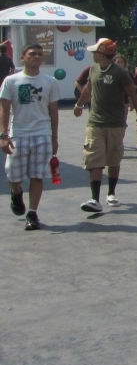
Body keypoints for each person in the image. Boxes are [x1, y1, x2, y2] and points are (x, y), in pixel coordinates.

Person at [73, 38, 137, 212]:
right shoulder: (93, 69)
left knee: (113, 159)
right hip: (95, 123)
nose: (92, 54)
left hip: (115, 123)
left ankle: (111, 193)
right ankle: (94, 199)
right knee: (94, 158)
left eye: (94, 52)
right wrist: (79, 104)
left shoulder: (120, 73)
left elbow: (132, 95)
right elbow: (88, 89)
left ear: (101, 53)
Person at [0, 44, 60, 231]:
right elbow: (4, 109)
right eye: (32, 54)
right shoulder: (11, 81)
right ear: (22, 57)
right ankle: (16, 193)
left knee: (37, 175)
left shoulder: (50, 82)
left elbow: (53, 112)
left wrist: (55, 137)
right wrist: (3, 134)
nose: (36, 57)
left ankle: (32, 213)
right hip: (18, 134)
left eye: (40, 54)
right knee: (12, 173)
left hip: (42, 134)